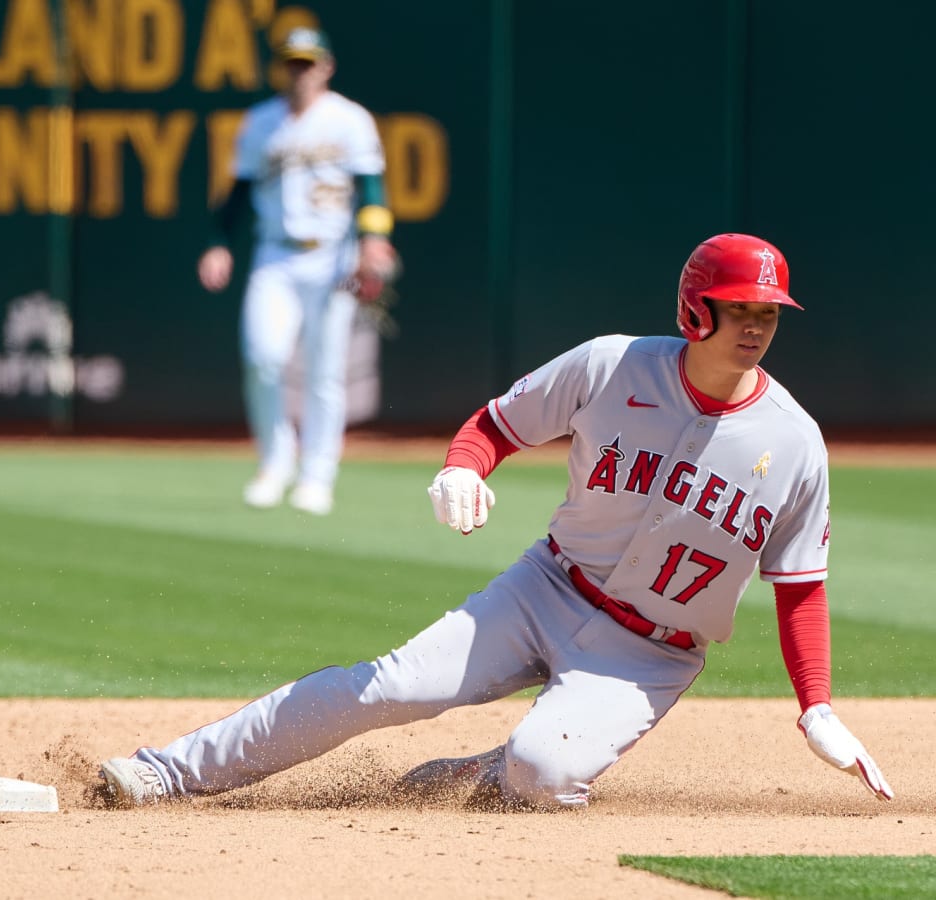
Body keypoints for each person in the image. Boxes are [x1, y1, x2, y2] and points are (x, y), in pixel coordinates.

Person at [104, 233, 892, 809]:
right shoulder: (611, 365)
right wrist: (460, 468)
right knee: (384, 689)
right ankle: (166, 770)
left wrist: (816, 704)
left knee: (541, 776)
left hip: (647, 655)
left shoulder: (795, 442)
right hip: (545, 588)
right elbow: (495, 425)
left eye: (770, 313)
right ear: (695, 309)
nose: (757, 326)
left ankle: (493, 769)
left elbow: (802, 588)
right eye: (740, 309)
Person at [197, 26, 398, 517]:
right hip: (276, 254)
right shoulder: (262, 122)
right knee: (263, 356)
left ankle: (317, 475)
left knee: (325, 370)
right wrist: (219, 243)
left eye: (307, 63)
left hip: (333, 254)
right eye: (291, 63)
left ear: (326, 67)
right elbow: (239, 194)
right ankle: (274, 462)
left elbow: (371, 187)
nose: (299, 72)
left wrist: (373, 239)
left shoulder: (349, 120)